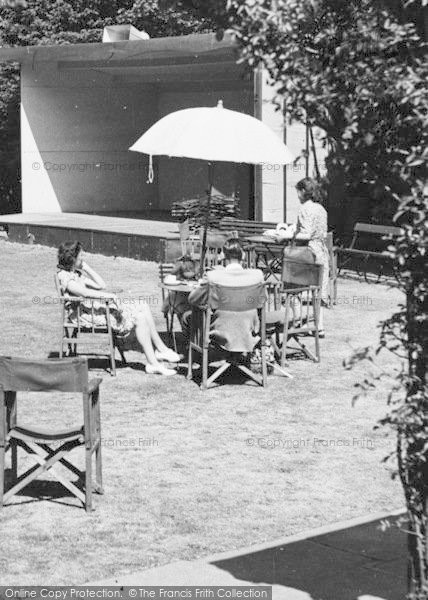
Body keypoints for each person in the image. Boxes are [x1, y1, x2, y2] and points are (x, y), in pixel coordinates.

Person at [57, 241, 180, 376]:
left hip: (93, 309)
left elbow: (101, 284)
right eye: (81, 256)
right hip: (83, 315)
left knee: (142, 305)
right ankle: (153, 363)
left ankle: (160, 351)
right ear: (72, 258)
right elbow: (84, 293)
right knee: (139, 317)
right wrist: (108, 296)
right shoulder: (64, 276)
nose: (83, 258)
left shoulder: (76, 274)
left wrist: (86, 267)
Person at [183, 238, 264, 353]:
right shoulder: (257, 276)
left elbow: (192, 299)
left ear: (222, 255)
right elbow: (261, 301)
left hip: (220, 330)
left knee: (186, 317)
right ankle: (238, 357)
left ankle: (200, 358)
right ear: (244, 255)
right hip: (248, 328)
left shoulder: (213, 277)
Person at [278, 177, 329, 334]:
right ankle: (319, 325)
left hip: (307, 254)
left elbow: (306, 235)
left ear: (302, 192)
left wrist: (286, 235)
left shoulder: (305, 208)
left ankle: (297, 321)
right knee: (318, 289)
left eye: (298, 192)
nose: (297, 196)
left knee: (293, 287)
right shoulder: (321, 208)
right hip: (321, 252)